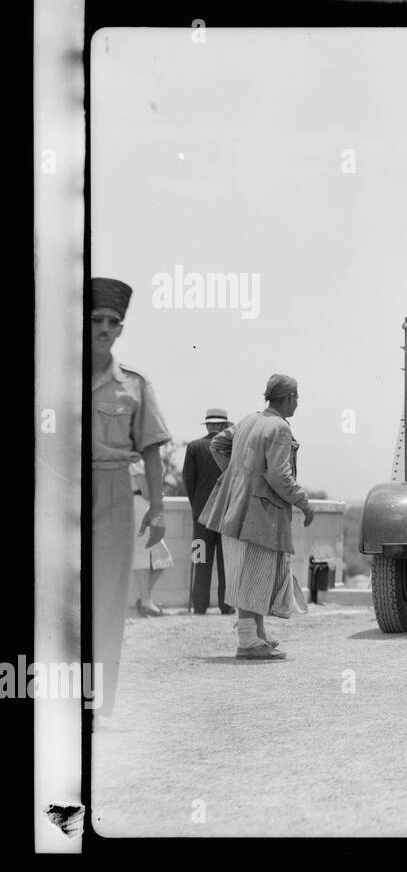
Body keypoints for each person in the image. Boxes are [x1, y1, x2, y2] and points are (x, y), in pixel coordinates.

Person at [89, 277, 170, 727]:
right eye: (96, 319)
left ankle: (96, 706)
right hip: (62, 489)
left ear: (121, 329)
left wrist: (157, 508)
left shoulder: (134, 386)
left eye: (111, 322)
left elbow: (153, 450)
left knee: (108, 601)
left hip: (116, 491)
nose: (103, 328)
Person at [199, 374, 314, 659]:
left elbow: (218, 445)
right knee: (255, 574)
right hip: (261, 513)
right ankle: (248, 641)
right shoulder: (279, 428)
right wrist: (304, 502)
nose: (298, 403)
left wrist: (238, 476)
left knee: (251, 573)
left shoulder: (249, 420)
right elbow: (279, 476)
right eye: (296, 397)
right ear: (287, 398)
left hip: (234, 507)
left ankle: (258, 635)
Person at [183, 407, 234, 614]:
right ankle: (226, 605)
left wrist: (196, 506)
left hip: (200, 518)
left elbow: (188, 480)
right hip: (226, 515)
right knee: (226, 563)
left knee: (200, 560)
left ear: (208, 424)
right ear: (223, 425)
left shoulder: (194, 447)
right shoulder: (232, 449)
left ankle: (199, 606)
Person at [129, 459, 173, 616]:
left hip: (146, 508)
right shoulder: (135, 461)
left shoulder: (142, 460)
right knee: (142, 553)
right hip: (139, 507)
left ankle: (144, 600)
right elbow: (146, 492)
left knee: (162, 557)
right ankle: (146, 602)